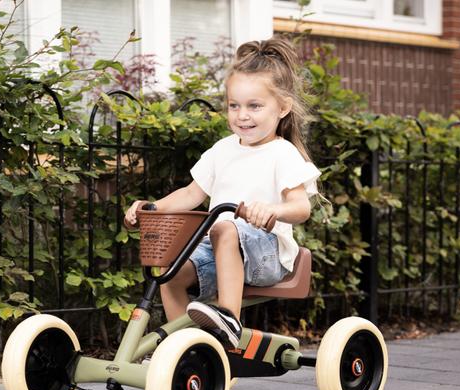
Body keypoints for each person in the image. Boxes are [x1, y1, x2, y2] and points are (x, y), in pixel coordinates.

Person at [124, 35, 320, 349]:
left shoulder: (282, 153)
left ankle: (228, 320)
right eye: (234, 106)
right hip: (219, 248)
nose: (242, 115)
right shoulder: (223, 150)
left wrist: (273, 210)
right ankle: (188, 350)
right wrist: (150, 207)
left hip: (267, 253)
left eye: (254, 106)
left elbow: (301, 207)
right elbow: (190, 194)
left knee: (225, 228)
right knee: (169, 273)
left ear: (282, 107)